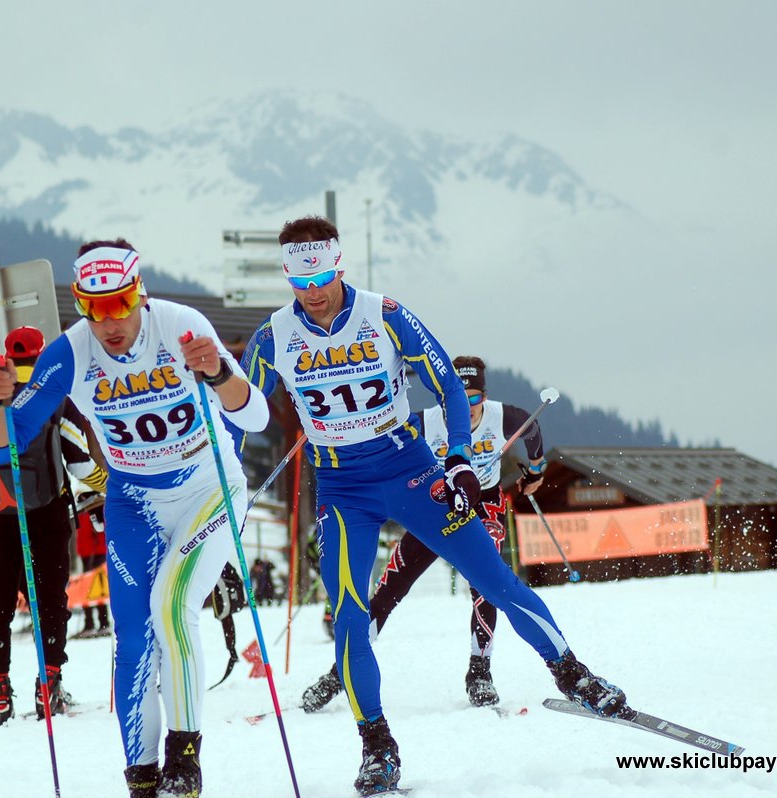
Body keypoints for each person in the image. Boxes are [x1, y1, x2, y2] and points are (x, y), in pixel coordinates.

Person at [240, 216, 628, 796]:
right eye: (301, 280)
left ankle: (572, 672)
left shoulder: (386, 315)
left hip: (411, 470)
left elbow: (447, 383)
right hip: (343, 488)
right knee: (350, 615)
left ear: (339, 266)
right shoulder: (273, 336)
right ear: (289, 279)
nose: (313, 291)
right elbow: (238, 412)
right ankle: (377, 744)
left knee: (494, 579)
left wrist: (462, 460)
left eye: (321, 274)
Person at [0, 240, 269, 798]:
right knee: (131, 638)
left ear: (140, 292)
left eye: (120, 303)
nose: (108, 321)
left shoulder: (180, 325)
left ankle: (184, 759)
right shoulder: (71, 351)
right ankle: (141, 776)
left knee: (173, 607)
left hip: (209, 488)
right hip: (134, 499)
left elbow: (253, 412)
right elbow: (2, 446)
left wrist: (219, 373)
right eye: (93, 306)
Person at [299, 354, 549, 713]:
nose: (468, 408)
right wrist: (330, 436)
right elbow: (376, 438)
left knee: (488, 585)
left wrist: (536, 471)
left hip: (484, 504)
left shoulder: (504, 416)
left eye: (475, 398)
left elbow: (533, 430)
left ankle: (480, 672)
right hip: (435, 507)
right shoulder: (422, 422)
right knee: (390, 588)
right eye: (458, 400)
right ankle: (342, 672)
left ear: (485, 396)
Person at [0, 325, 108, 726]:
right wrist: (109, 486)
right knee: (50, 600)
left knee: (1, 603)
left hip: (3, 514)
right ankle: (49, 682)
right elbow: (79, 461)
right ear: (43, 354)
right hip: (48, 512)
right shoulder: (54, 394)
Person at [73, 490, 111, 638]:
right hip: (85, 551)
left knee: (97, 589)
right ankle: (89, 623)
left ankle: (103, 622)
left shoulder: (94, 500)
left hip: (97, 551)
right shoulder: (79, 502)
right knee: (86, 589)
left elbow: (99, 527)